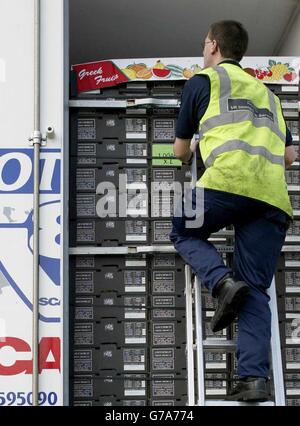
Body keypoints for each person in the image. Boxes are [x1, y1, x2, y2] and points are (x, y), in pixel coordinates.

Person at [169, 20, 297, 402]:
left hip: (225, 186)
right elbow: (290, 156)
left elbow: (179, 152)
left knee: (183, 230)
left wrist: (194, 149)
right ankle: (253, 381)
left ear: (212, 45)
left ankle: (222, 283)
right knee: (256, 288)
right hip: (272, 199)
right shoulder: (269, 94)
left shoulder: (204, 82)